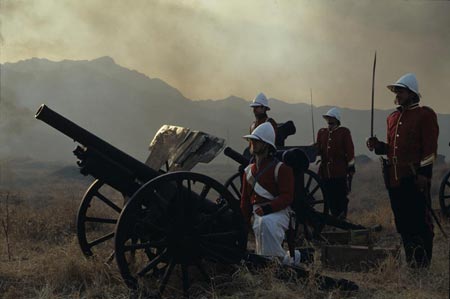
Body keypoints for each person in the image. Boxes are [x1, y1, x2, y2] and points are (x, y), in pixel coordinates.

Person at [367, 73, 439, 268]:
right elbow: (391, 149)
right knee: (403, 223)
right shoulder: (393, 117)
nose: (397, 94)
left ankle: (423, 264)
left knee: (420, 223)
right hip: (394, 178)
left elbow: (430, 150)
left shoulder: (425, 114)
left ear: (412, 92)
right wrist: (378, 146)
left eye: (401, 90)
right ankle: (411, 262)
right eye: (396, 91)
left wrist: (424, 175)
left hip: (414, 177)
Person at [240, 122, 299, 263]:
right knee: (261, 223)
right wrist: (243, 220)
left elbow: (287, 197)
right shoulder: (248, 171)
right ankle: (268, 261)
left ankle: (275, 261)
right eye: (252, 140)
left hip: (278, 212)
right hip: (257, 212)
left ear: (266, 145)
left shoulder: (282, 169)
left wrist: (268, 208)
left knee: (266, 222)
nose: (252, 143)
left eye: (256, 141)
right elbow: (245, 200)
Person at [316, 107, 355, 219]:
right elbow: (318, 148)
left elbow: (350, 152)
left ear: (337, 120)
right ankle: (333, 217)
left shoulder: (344, 132)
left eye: (331, 119)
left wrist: (351, 168)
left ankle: (341, 218)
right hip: (325, 171)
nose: (329, 121)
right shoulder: (322, 132)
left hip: (339, 171)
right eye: (328, 118)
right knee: (329, 196)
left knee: (341, 196)